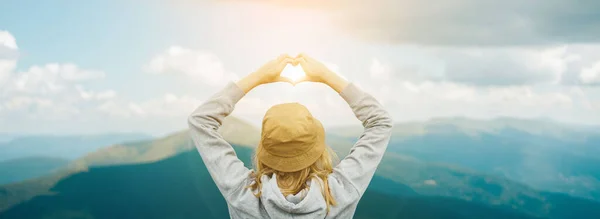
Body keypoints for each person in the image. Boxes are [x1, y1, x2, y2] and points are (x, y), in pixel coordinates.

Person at [188, 53, 393, 219]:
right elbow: (380, 122)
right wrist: (327, 76)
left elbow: (200, 120)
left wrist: (257, 77)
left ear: (263, 149)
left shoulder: (244, 194)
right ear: (319, 149)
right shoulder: (339, 192)